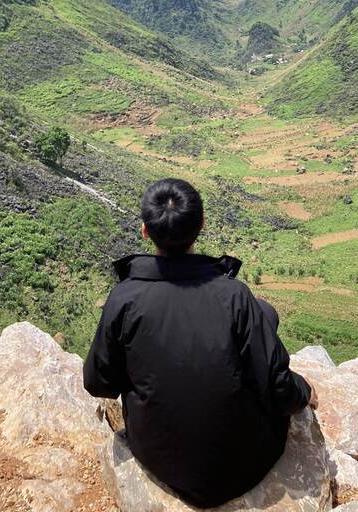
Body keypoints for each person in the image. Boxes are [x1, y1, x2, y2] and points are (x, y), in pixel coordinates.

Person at [83, 177, 316, 508]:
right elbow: (279, 390)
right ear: (201, 225)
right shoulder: (234, 297)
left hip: (159, 454)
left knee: (265, 313)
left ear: (145, 232)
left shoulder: (125, 299)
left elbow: (98, 383)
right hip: (243, 464)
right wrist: (305, 392)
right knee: (264, 314)